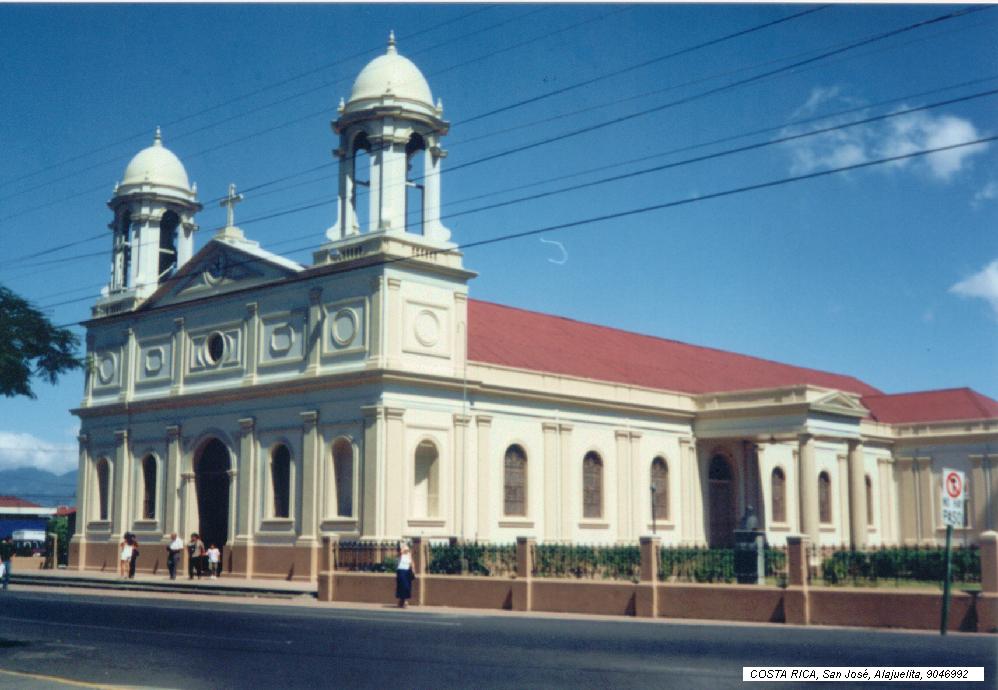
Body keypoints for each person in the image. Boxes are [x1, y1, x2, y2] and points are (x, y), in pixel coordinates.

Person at [395, 543, 415, 608]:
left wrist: (413, 569)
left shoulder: (409, 555)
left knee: (407, 586)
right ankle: (403, 601)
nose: (407, 550)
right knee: (402, 586)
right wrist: (403, 549)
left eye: (407, 549)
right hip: (400, 571)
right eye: (405, 548)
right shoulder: (400, 555)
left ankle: (402, 601)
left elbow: (411, 562)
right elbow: (400, 553)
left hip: (407, 571)